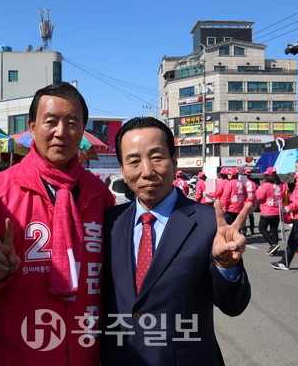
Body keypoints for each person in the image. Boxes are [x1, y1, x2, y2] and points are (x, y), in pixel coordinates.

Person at [0, 82, 115, 365]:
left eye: (72, 123)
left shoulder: (99, 195)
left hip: (84, 352)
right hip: (17, 353)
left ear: (83, 130)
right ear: (33, 126)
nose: (61, 132)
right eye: (51, 121)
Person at [102, 117, 251, 366]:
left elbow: (233, 306)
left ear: (173, 161)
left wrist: (227, 267)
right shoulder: (109, 223)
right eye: (134, 161)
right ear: (123, 168)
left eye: (157, 157)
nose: (146, 171)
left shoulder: (208, 224)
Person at [256, 167, 289, 255]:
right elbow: (286, 196)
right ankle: (274, 248)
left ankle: (273, 244)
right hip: (277, 210)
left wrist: (258, 190)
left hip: (268, 210)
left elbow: (260, 197)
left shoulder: (266, 185)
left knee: (262, 228)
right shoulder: (281, 185)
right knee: (273, 229)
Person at [240, 169, 258, 236]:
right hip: (251, 201)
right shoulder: (253, 183)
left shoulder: (242, 182)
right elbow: (255, 192)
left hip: (245, 201)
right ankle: (252, 230)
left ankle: (244, 231)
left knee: (243, 217)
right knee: (251, 215)